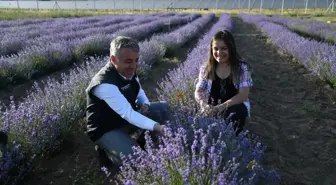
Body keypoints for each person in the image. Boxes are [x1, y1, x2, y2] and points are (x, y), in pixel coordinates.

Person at [85, 36, 169, 167]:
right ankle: (107, 150)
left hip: (125, 118)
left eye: (136, 60)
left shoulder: (128, 70)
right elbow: (128, 113)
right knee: (137, 160)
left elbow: (139, 90)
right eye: (129, 61)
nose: (134, 66)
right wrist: (157, 126)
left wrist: (145, 104)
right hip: (106, 128)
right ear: (113, 59)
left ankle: (143, 142)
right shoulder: (104, 83)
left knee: (164, 108)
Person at [194, 29, 253, 136]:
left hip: (234, 106)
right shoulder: (206, 68)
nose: (219, 53)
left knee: (235, 114)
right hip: (212, 106)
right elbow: (199, 91)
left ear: (231, 49)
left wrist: (221, 107)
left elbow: (243, 95)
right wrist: (204, 105)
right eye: (215, 49)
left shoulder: (242, 68)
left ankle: (232, 140)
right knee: (194, 114)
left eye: (224, 48)